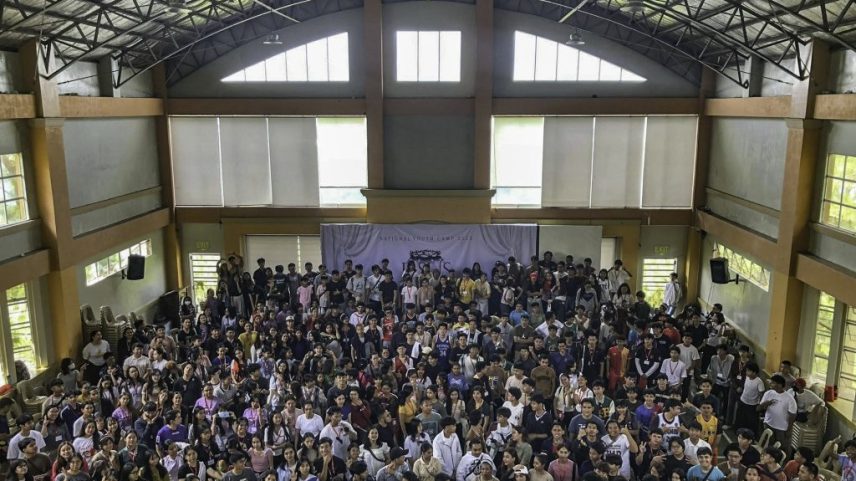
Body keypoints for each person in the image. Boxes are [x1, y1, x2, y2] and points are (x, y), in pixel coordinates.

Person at [758, 375, 796, 450]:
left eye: (773, 383)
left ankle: (783, 461)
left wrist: (789, 429)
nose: (770, 384)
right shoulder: (768, 393)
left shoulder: (789, 398)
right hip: (769, 424)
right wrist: (765, 404)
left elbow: (793, 415)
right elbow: (758, 408)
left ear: (780, 385)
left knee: (782, 448)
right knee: (769, 446)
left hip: (782, 428)